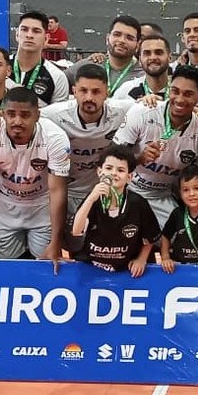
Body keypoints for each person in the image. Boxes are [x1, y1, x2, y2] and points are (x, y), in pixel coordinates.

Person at [0, 87, 70, 266]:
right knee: (7, 265)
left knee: (45, 265)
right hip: (5, 205)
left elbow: (58, 192)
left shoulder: (55, 137)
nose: (17, 121)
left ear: (37, 115)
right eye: (11, 114)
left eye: (25, 115)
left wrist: (56, 242)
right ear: (2, 114)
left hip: (42, 205)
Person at [42, 64, 135, 254]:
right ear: (74, 91)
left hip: (104, 192)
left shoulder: (124, 109)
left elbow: (155, 109)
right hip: (66, 192)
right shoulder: (53, 115)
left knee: (105, 248)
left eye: (96, 91)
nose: (89, 97)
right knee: (70, 247)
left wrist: (150, 100)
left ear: (107, 92)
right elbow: (24, 115)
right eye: (83, 91)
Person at [114, 66, 198, 227]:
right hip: (128, 188)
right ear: (169, 88)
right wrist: (139, 158)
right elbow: (111, 158)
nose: (179, 99)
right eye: (175, 91)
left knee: (180, 233)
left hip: (164, 196)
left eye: (188, 94)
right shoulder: (143, 112)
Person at [71, 145, 160, 277]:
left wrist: (141, 259)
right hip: (92, 265)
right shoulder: (92, 199)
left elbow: (150, 237)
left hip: (126, 267)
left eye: (120, 170)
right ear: (99, 172)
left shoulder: (138, 203)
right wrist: (90, 199)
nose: (114, 173)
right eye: (109, 168)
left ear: (129, 177)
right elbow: (76, 231)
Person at [68, 15, 143, 96]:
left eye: (129, 38)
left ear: (138, 45)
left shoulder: (143, 75)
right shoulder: (88, 65)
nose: (122, 40)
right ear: (107, 38)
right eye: (117, 34)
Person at [8, 11, 69, 106]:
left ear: (46, 39)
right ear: (17, 35)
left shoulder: (57, 77)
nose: (29, 35)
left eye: (36, 31)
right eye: (24, 29)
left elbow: (59, 114)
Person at [115, 34, 172, 100]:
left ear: (169, 57)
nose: (153, 57)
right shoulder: (126, 90)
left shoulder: (180, 89)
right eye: (147, 53)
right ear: (140, 60)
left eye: (158, 53)